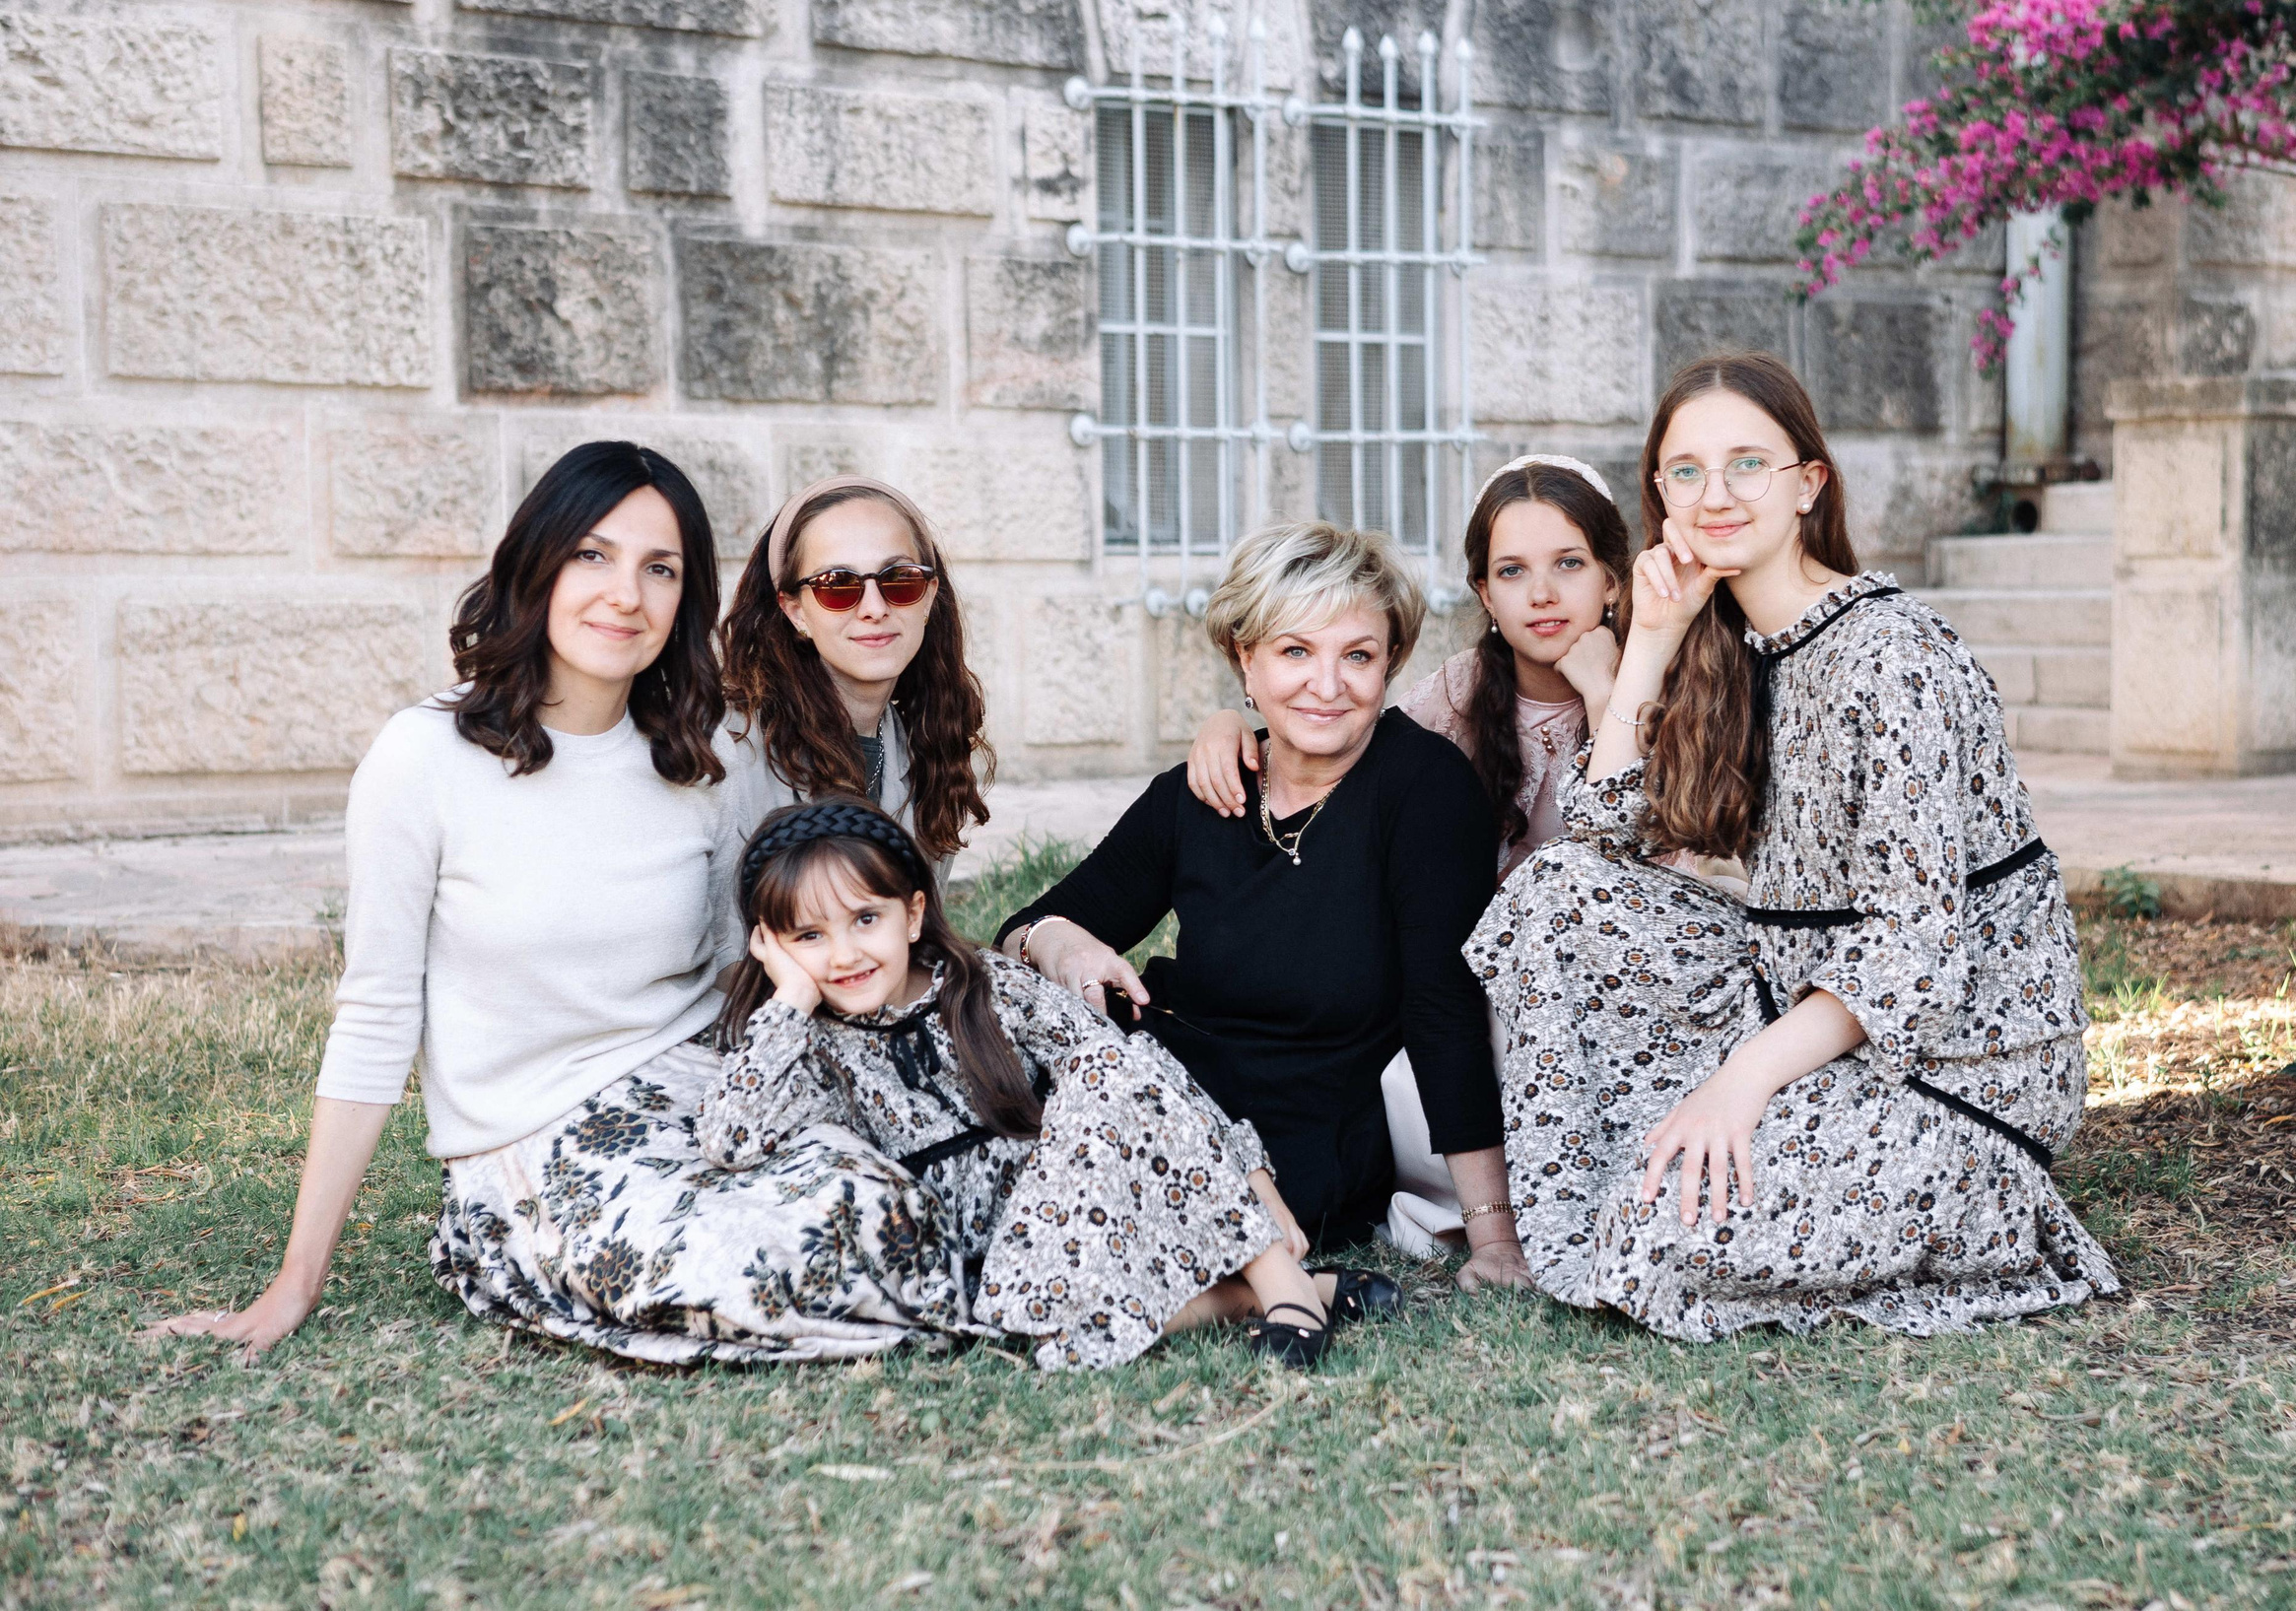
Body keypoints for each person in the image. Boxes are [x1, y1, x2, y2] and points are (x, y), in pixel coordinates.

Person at [143, 443, 969, 1365]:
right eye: (592, 555)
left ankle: (1054, 1287)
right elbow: (376, 1015)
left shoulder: (698, 759)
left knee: (889, 1206)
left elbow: (769, 944)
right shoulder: (424, 759)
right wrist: (296, 1280)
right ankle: (1011, 1309)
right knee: (788, 1259)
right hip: (537, 1144)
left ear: (684, 600)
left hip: (707, 1097)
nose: (626, 594)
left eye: (660, 569)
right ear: (534, 564)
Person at [1473, 351, 2119, 1339]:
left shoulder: (1892, 654)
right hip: (1796, 1013)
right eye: (1684, 471)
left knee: (1656, 1237)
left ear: (1808, 484)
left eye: (1747, 465)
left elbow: (1911, 949)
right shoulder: (1727, 642)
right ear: (1658, 492)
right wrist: (1647, 637)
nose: (1714, 495)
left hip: (1952, 1073)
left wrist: (1738, 1086)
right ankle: (1651, 1172)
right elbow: (1600, 833)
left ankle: (1990, 1214)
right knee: (1551, 892)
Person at [994, 523, 1531, 1289]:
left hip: (1305, 1125)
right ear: (1244, 658)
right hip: (1162, 1066)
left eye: (1358, 655)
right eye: (1294, 651)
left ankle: (1279, 1282)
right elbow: (1026, 926)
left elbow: (1444, 1009)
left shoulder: (1423, 788)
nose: (1327, 684)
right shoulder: (1210, 785)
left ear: (1390, 665)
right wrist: (1062, 946)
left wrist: (1493, 1236)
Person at [701, 796, 1400, 1370]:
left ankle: (1279, 1279)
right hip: (974, 1267)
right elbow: (728, 1137)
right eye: (809, 936)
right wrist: (789, 998)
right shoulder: (806, 1041)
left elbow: (1134, 1073)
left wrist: (1255, 1186)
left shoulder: (984, 984)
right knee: (1060, 1336)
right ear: (771, 944)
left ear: (912, 913)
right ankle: (1255, 1295)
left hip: (1074, 1207)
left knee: (1106, 1059)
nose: (846, 953)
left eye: (864, 919)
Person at [1186, 455, 1634, 881]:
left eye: (1569, 563)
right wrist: (1229, 725)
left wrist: (1601, 694)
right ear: (1486, 595)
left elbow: (1634, 858)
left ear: (1610, 582)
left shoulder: (1656, 682)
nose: (1542, 594)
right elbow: (1346, 742)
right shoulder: (1459, 689)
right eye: (1512, 571)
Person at [718, 474, 993, 875]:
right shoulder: (729, 749)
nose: (874, 607)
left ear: (929, 596)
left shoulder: (928, 746)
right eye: (837, 585)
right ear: (795, 610)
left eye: (900, 580)